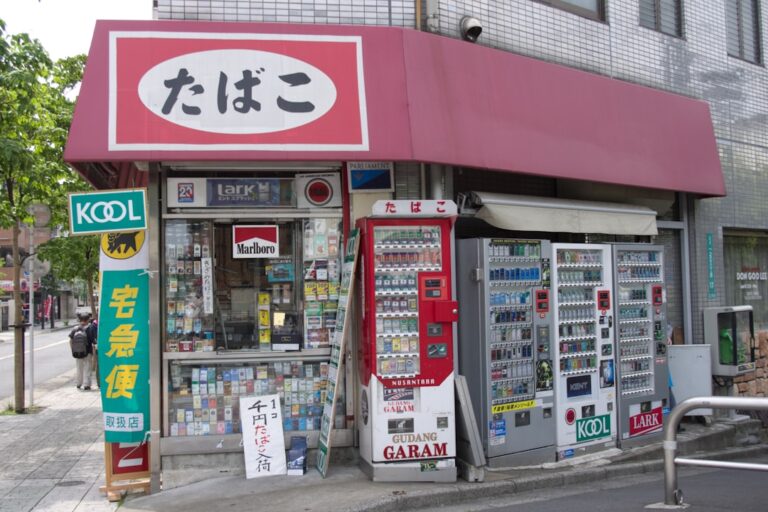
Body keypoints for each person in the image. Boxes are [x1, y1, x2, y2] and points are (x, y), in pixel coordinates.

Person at [69, 312, 97, 390]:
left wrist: (73, 350)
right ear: (88, 320)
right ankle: (87, 384)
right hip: (87, 352)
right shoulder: (90, 328)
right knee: (87, 368)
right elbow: (93, 341)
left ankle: (78, 383)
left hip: (77, 352)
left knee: (79, 368)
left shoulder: (75, 329)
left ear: (80, 319)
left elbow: (70, 340)